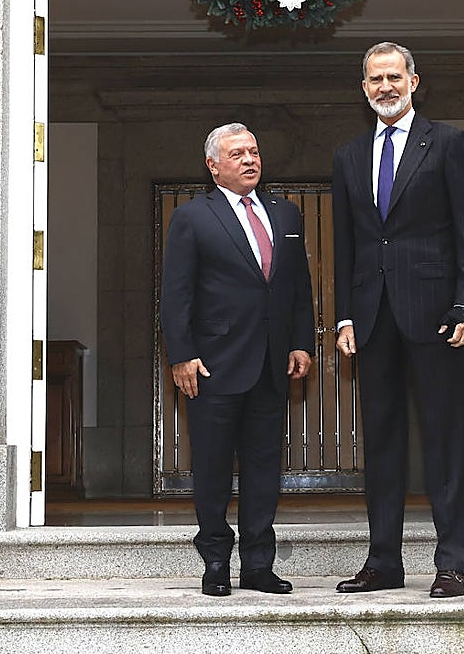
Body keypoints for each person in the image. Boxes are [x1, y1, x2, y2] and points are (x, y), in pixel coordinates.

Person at [331, 42, 464, 599]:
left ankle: (452, 563)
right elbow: (347, 245)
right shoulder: (349, 156)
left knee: (445, 439)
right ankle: (383, 563)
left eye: (394, 77)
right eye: (374, 79)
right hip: (372, 319)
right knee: (382, 443)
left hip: (436, 315)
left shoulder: (446, 143)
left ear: (414, 82)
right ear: (364, 88)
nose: (385, 88)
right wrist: (344, 317)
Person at [160, 122, 315, 597]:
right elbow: (176, 293)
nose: (250, 160)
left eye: (254, 151)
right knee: (211, 469)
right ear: (213, 165)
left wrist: (300, 341)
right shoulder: (192, 217)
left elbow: (298, 288)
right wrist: (182, 354)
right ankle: (214, 563)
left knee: (265, 469)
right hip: (213, 367)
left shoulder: (286, 215)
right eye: (237, 154)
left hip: (270, 364)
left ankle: (259, 566)